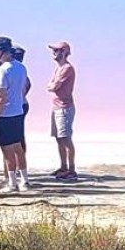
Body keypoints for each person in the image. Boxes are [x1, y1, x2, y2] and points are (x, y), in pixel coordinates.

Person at [0, 36, 32, 193]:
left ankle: (12, 183)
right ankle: (24, 180)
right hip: (18, 111)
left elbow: (1, 96)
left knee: (7, 150)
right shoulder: (21, 67)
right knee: (18, 148)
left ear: (1, 51)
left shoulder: (3, 70)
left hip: (6, 114)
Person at [48, 41, 78, 181]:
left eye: (57, 50)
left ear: (64, 52)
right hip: (57, 107)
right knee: (59, 138)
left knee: (66, 138)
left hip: (64, 107)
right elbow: (51, 85)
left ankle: (71, 169)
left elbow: (54, 86)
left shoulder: (67, 68)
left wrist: (52, 86)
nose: (54, 53)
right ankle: (63, 167)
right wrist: (52, 85)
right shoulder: (58, 69)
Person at [12, 46, 31, 158]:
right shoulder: (21, 69)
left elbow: (28, 84)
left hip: (19, 104)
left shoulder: (16, 69)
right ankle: (20, 160)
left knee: (16, 135)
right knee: (19, 134)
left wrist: (19, 96)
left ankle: (19, 160)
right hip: (22, 103)